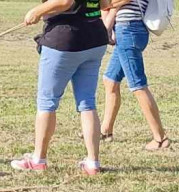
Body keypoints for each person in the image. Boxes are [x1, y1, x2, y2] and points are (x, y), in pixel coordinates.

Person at [11, 0, 111, 175]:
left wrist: (38, 11)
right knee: (87, 102)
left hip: (65, 40)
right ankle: (92, 162)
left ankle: (38, 160)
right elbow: (105, 3)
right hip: (95, 38)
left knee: (47, 102)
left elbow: (65, 1)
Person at [99, 0, 171, 151]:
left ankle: (160, 138)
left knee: (138, 85)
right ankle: (106, 131)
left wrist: (108, 7)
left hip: (128, 28)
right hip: (129, 28)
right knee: (110, 80)